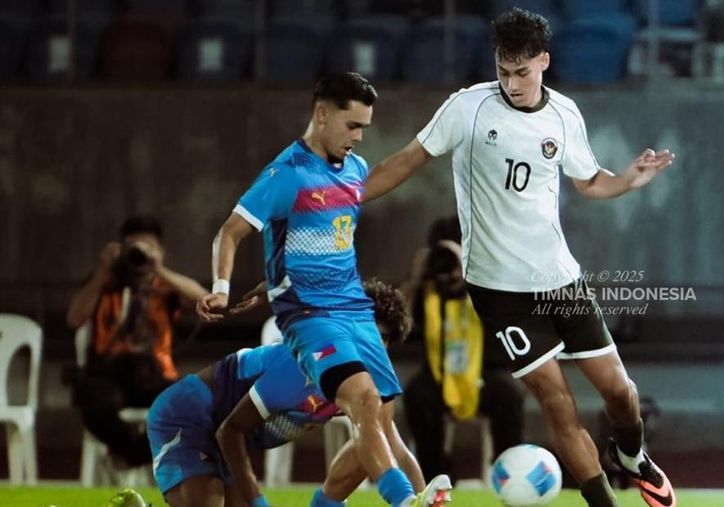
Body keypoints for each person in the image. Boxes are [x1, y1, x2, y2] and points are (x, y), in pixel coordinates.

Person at [362, 9, 677, 507]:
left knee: (620, 392)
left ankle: (632, 455)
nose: (511, 84)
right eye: (503, 71)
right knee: (558, 402)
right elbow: (406, 160)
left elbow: (589, 182)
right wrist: (342, 196)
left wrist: (627, 180)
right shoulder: (468, 108)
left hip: (561, 280)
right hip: (500, 291)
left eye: (522, 72)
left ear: (544, 62)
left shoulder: (564, 115)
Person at [196, 72, 450, 507]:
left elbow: (395, 169)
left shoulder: (354, 170)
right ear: (321, 114)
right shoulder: (286, 175)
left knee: (381, 416)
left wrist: (440, 135)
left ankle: (343, 503)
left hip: (355, 308)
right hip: (309, 314)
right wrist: (221, 287)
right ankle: (404, 500)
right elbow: (230, 232)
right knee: (363, 398)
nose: (359, 137)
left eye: (364, 128)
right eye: (353, 126)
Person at [151, 280, 446, 507]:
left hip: (227, 433)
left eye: (383, 337)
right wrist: (257, 500)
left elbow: (393, 446)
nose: (373, 343)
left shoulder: (366, 383)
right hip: (188, 413)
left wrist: (420, 498)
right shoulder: (304, 365)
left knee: (373, 434)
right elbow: (230, 430)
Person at [66, 215, 207, 468]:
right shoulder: (105, 282)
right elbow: (74, 319)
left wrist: (158, 268)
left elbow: (206, 301)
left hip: (155, 374)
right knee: (94, 404)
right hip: (108, 374)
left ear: (161, 251)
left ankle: (129, 457)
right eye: (134, 247)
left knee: (191, 404)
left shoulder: (165, 286)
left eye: (148, 247)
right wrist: (103, 269)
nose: (140, 253)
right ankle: (134, 452)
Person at [404, 234, 525, 482]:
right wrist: (416, 279)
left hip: (484, 373)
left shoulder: (484, 288)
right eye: (446, 267)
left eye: (456, 265)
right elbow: (399, 322)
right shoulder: (428, 293)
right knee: (417, 394)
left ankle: (509, 472)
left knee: (509, 395)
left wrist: (467, 267)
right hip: (438, 375)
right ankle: (434, 476)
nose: (451, 274)